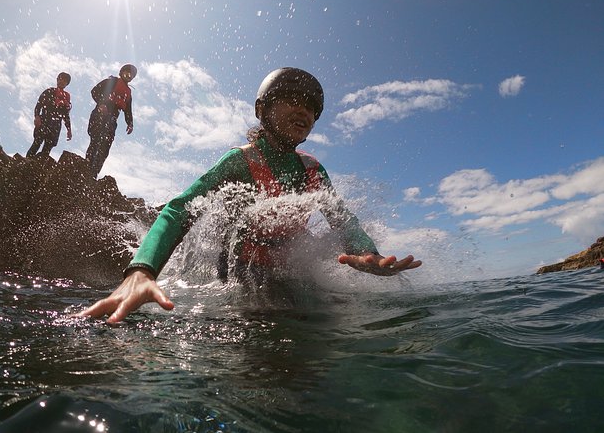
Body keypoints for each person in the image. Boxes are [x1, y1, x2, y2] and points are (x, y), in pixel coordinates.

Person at [77, 67, 422, 323]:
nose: (305, 111)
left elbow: (340, 218)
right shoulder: (240, 161)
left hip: (291, 275)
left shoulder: (313, 170)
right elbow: (179, 210)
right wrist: (142, 271)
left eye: (312, 109)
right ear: (262, 109)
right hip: (240, 278)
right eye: (293, 101)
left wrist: (367, 255)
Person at [85, 64, 137, 177]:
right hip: (100, 115)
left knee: (105, 147)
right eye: (127, 73)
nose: (129, 76)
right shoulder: (111, 81)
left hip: (112, 121)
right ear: (121, 72)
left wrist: (130, 123)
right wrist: (101, 104)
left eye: (131, 75)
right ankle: (86, 167)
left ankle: (94, 173)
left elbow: (128, 110)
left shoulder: (128, 92)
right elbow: (94, 91)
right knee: (95, 142)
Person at [26, 72, 72, 157]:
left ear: (67, 84)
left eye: (65, 80)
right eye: (60, 79)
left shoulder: (66, 97)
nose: (62, 81)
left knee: (47, 149)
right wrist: (37, 117)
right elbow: (38, 105)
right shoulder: (49, 91)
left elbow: (65, 115)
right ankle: (26, 161)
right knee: (36, 143)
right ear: (57, 80)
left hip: (56, 126)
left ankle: (38, 166)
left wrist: (69, 129)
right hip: (44, 120)